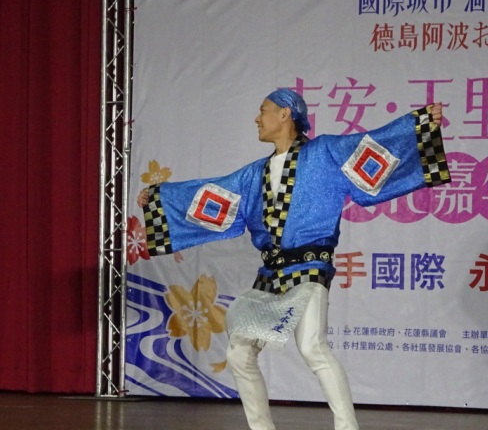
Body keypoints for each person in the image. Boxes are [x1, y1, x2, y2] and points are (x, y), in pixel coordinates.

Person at [137, 89, 450, 430]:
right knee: (240, 353)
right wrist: (159, 200)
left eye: (263, 110)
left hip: (310, 266)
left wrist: (418, 127)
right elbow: (212, 194)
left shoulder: (324, 152)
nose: (257, 118)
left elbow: (374, 147)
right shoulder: (253, 175)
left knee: (312, 347)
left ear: (285, 114)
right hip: (271, 274)